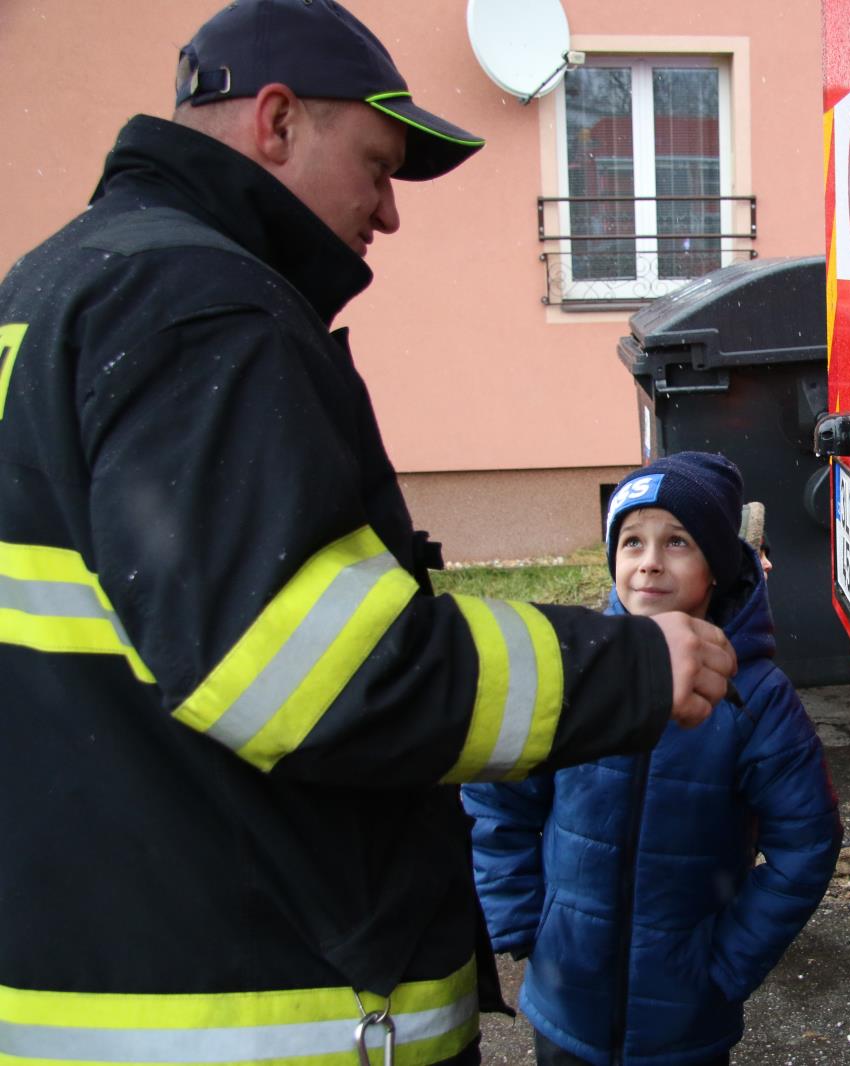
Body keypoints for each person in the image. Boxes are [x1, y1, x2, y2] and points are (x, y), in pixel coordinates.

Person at [0, 2, 734, 1063]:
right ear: (277, 121)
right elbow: (315, 668)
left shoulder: (53, 285)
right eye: (378, 165)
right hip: (240, 1006)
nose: (387, 214)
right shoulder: (202, 307)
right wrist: (623, 665)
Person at [463, 452, 842, 1066]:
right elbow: (498, 795)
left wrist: (726, 963)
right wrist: (524, 921)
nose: (649, 563)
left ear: (716, 567)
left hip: (684, 1023)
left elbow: (807, 843)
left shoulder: (755, 696)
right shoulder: (577, 668)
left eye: (678, 541)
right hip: (565, 1003)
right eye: (631, 541)